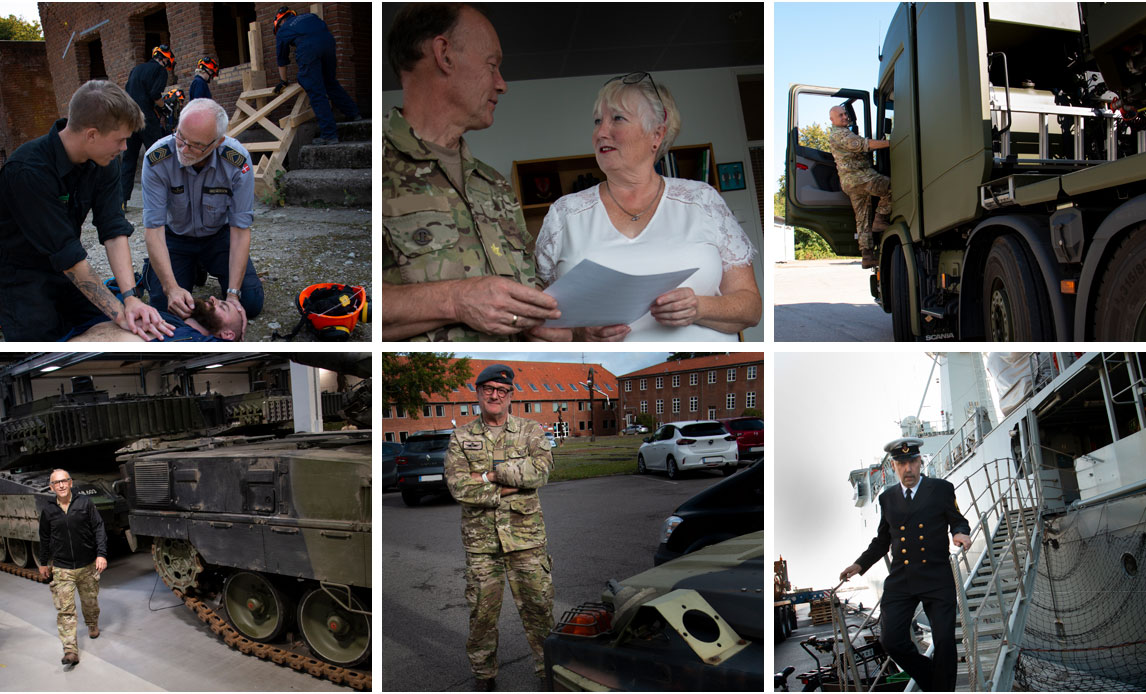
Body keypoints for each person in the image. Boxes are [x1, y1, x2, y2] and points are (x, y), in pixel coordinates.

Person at [382, 4, 566, 342]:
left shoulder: (494, 185)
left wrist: (568, 329)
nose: (502, 85)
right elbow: (345, 303)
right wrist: (455, 300)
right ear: (444, 55)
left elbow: (530, 288)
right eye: (492, 66)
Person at [534, 72, 762, 341]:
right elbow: (541, 321)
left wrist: (699, 308)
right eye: (597, 121)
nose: (601, 132)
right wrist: (582, 333)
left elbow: (751, 308)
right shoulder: (564, 214)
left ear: (657, 134)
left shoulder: (702, 200)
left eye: (617, 118)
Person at [0, 80, 173, 342]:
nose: (125, 148)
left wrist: (129, 299)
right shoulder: (27, 172)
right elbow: (67, 254)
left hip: (66, 271)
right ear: (91, 134)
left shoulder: (104, 162)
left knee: (110, 323)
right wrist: (119, 313)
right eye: (121, 140)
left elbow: (113, 229)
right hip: (20, 276)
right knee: (41, 347)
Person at [444, 364, 555, 690]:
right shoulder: (461, 437)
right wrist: (511, 484)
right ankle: (484, 677)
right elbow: (458, 487)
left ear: (511, 395)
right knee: (482, 616)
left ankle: (549, 673)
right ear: (477, 393)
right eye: (488, 389)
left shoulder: (531, 431)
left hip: (527, 540)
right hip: (482, 545)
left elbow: (540, 471)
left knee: (540, 611)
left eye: (501, 390)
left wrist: (490, 476)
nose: (495, 395)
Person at [839, 437, 971, 691]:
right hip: (902, 579)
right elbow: (882, 541)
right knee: (891, 640)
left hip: (936, 576)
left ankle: (942, 689)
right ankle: (933, 680)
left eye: (912, 461)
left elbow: (957, 519)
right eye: (902, 463)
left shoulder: (941, 489)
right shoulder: (887, 499)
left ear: (920, 462)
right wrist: (859, 565)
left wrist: (959, 533)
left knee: (944, 639)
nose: (908, 468)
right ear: (893, 467)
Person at [139, 98, 264, 320]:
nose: (183, 149)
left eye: (196, 145)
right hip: (175, 238)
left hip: (218, 236)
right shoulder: (157, 159)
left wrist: (233, 295)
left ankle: (201, 265)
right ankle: (187, 268)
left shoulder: (236, 161)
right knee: (165, 308)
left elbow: (240, 230)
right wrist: (170, 287)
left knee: (250, 304)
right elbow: (154, 230)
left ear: (217, 142)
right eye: (180, 136)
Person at [38, 469, 108, 666]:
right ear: (51, 487)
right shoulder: (49, 510)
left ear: (70, 483)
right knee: (65, 610)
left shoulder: (85, 503)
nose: (60, 485)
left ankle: (92, 624)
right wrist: (44, 562)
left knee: (90, 602)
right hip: (62, 568)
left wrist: (101, 554)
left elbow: (99, 528)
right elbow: (44, 538)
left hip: (87, 565)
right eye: (56, 483)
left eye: (64, 481)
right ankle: (70, 650)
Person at [274, 6, 361, 145]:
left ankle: (329, 135)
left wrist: (283, 81)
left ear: (280, 22)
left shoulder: (282, 30)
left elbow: (282, 59)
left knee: (315, 90)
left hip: (308, 48)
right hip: (328, 42)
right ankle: (353, 113)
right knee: (330, 82)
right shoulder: (310, 16)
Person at [828, 104, 891, 269]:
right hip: (860, 178)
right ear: (832, 119)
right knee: (892, 188)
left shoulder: (843, 132)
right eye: (840, 115)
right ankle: (881, 219)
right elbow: (864, 145)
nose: (844, 117)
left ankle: (867, 255)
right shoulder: (840, 134)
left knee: (862, 218)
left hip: (852, 183)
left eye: (844, 114)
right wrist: (890, 143)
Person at [122, 45, 175, 205]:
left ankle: (121, 201)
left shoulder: (136, 70)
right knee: (159, 156)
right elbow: (155, 94)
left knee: (128, 159)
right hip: (146, 119)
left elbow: (127, 91)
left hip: (130, 119)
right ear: (165, 60)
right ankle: (165, 196)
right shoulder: (160, 71)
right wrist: (163, 106)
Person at [66, 296, 246, 342]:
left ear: (228, 334)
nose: (213, 299)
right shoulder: (162, 315)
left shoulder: (205, 343)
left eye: (223, 307)